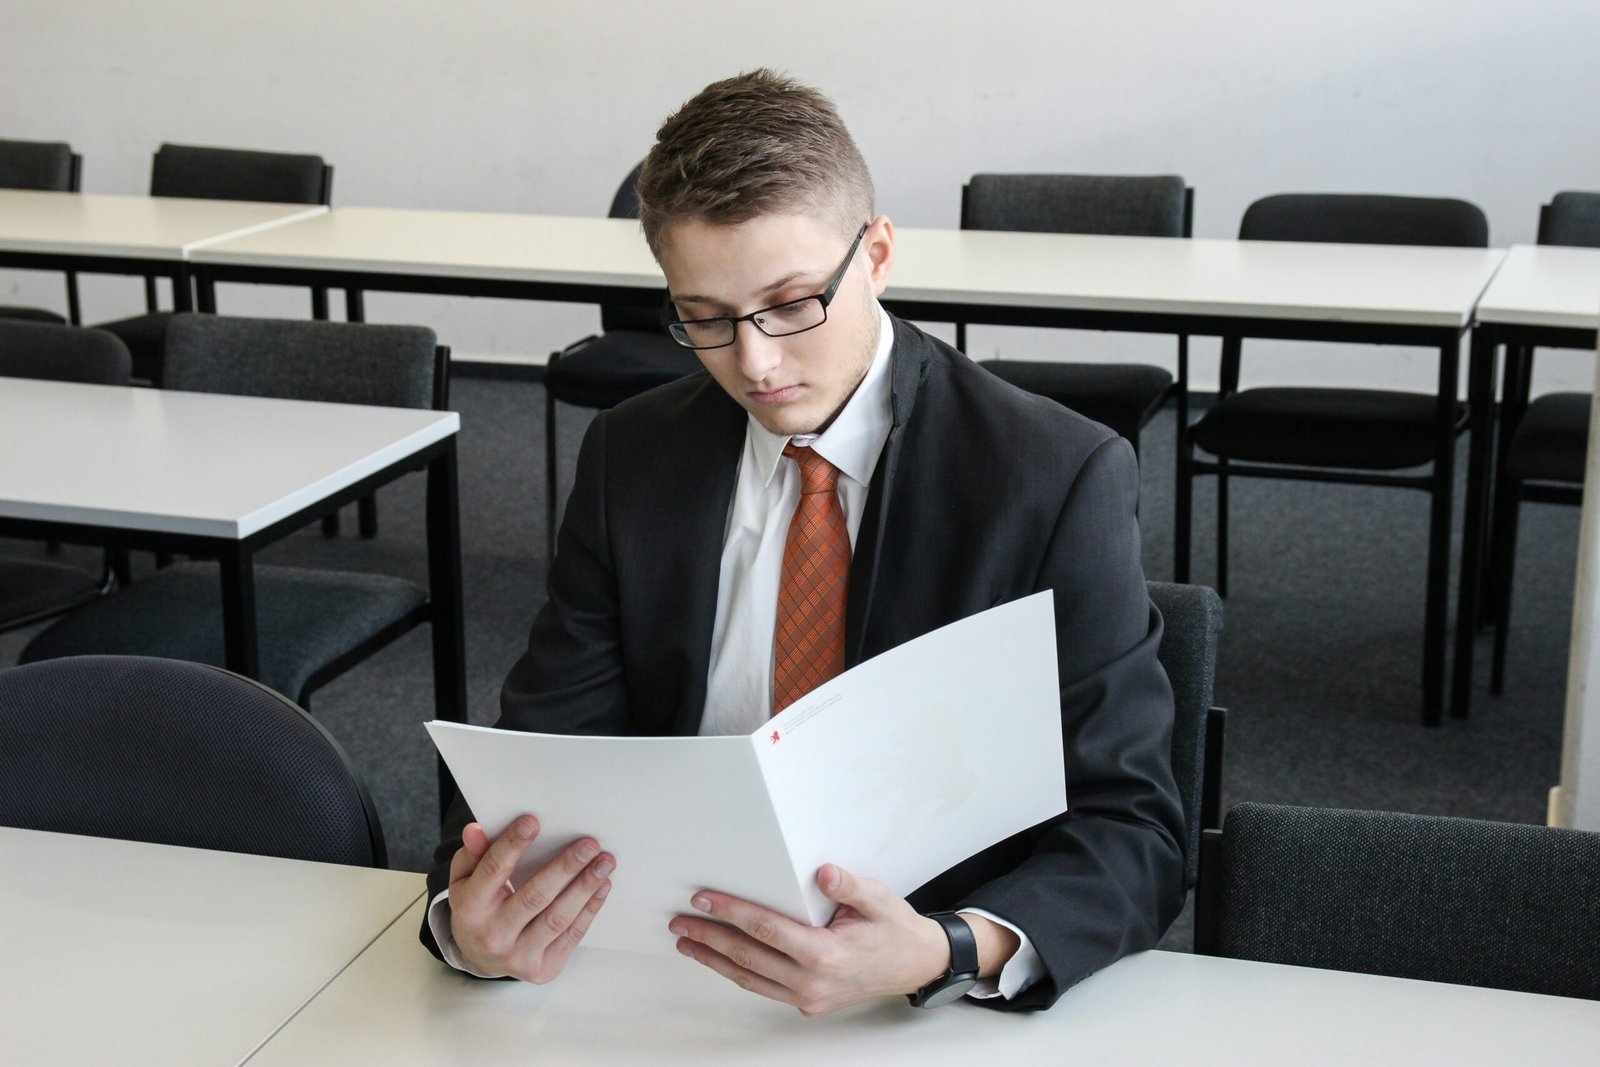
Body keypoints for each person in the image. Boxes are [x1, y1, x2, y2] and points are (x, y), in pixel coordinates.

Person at [421, 69, 1185, 1014]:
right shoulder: (633, 455)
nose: (755, 362)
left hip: (923, 998)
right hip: (668, 969)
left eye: (791, 304)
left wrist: (947, 949)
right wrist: (470, 923)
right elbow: (539, 757)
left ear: (877, 254)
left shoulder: (1052, 475)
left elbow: (1136, 827)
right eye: (704, 318)